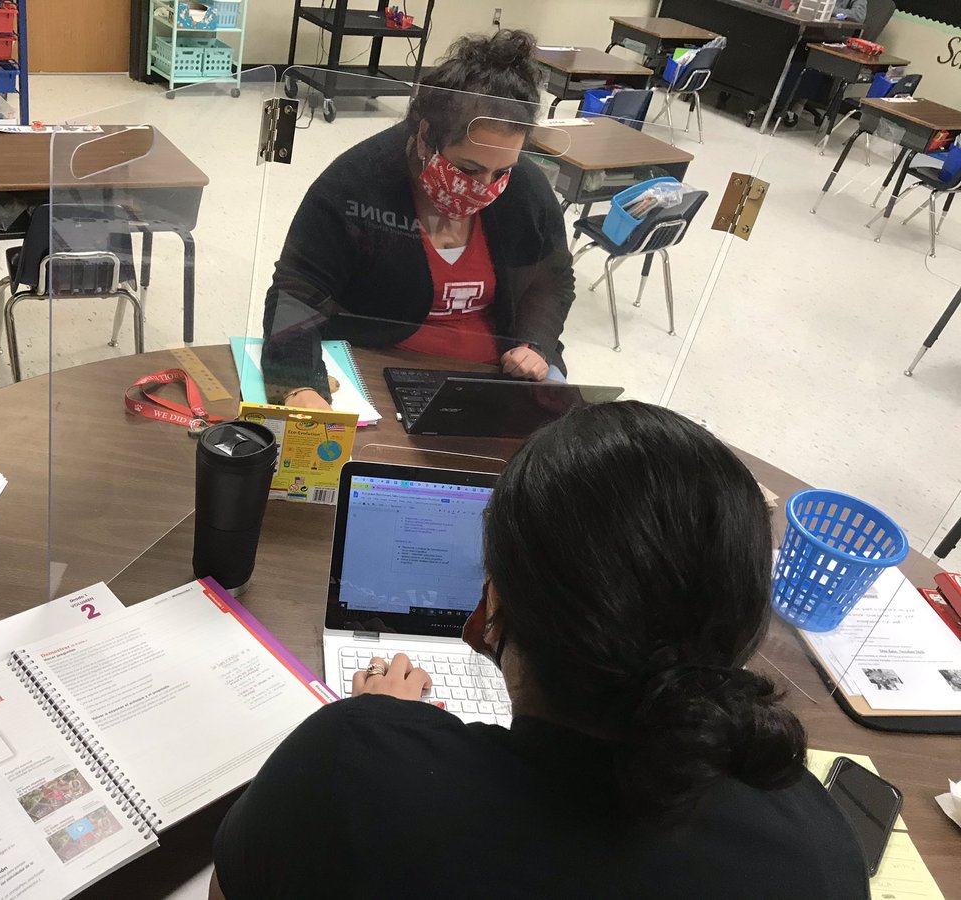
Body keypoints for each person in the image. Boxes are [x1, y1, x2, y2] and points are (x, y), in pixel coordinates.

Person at [210, 402, 869, 898]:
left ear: (493, 608)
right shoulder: (816, 844)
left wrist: (387, 729)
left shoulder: (351, 767)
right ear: (744, 619)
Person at [262, 30, 576, 411]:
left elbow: (552, 278)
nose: (485, 188)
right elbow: (297, 291)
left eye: (501, 171)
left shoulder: (525, 188)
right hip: (382, 369)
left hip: (502, 374)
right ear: (426, 135)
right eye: (469, 168)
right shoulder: (355, 184)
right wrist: (298, 387)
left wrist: (535, 343)